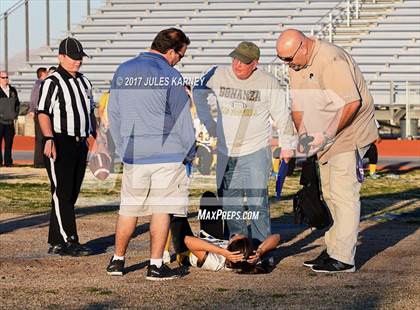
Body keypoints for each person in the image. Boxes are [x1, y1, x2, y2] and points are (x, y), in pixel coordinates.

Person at [276, 29, 379, 273]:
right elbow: (298, 105)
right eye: (282, 59)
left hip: (348, 134)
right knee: (330, 194)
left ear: (303, 46)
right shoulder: (296, 66)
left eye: (289, 58)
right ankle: (334, 248)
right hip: (324, 137)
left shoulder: (332, 59)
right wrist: (305, 136)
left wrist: (328, 135)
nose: (287, 64)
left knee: (343, 194)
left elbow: (352, 103)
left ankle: (343, 258)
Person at [106, 28, 195, 280]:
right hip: (167, 154)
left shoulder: (124, 70)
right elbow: (182, 121)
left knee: (129, 209)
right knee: (162, 209)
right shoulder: (171, 75)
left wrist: (122, 146)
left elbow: (114, 113)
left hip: (134, 152)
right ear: (170, 51)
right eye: (181, 55)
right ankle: (155, 265)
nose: (180, 60)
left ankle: (118, 260)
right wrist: (189, 152)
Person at [193, 41, 295, 244]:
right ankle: (237, 244)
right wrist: (209, 123)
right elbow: (197, 91)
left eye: (244, 61)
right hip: (225, 151)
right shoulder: (217, 73)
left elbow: (282, 116)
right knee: (230, 203)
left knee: (258, 202)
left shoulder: (268, 82)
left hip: (255, 150)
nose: (237, 64)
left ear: (255, 63)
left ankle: (262, 247)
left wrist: (288, 145)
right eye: (235, 59)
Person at [37, 37, 96, 256]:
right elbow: (43, 112)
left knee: (70, 193)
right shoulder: (52, 81)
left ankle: (56, 240)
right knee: (62, 192)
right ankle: (70, 239)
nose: (77, 62)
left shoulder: (84, 81)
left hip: (80, 142)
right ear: (61, 57)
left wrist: (93, 137)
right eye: (73, 58)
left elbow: (89, 112)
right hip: (59, 141)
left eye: (80, 58)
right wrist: (49, 138)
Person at [185, 231, 280, 273]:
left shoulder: (216, 262)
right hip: (211, 240)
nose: (238, 234)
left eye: (237, 236)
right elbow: (277, 237)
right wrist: (261, 251)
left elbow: (187, 240)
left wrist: (221, 251)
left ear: (230, 246)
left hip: (186, 251)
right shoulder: (248, 256)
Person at [28, 67, 48, 168]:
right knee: (40, 138)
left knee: (42, 138)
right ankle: (39, 162)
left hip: (39, 112)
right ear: (43, 74)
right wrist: (33, 110)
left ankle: (41, 161)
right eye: (47, 72)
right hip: (40, 113)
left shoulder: (39, 84)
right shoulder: (40, 84)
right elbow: (35, 99)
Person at [0, 71, 20, 167]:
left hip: (10, 122)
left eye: (6, 77)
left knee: (9, 143)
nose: (5, 79)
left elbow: (17, 104)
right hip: (0, 122)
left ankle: (8, 162)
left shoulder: (12, 90)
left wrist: (15, 115)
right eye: (3, 77)